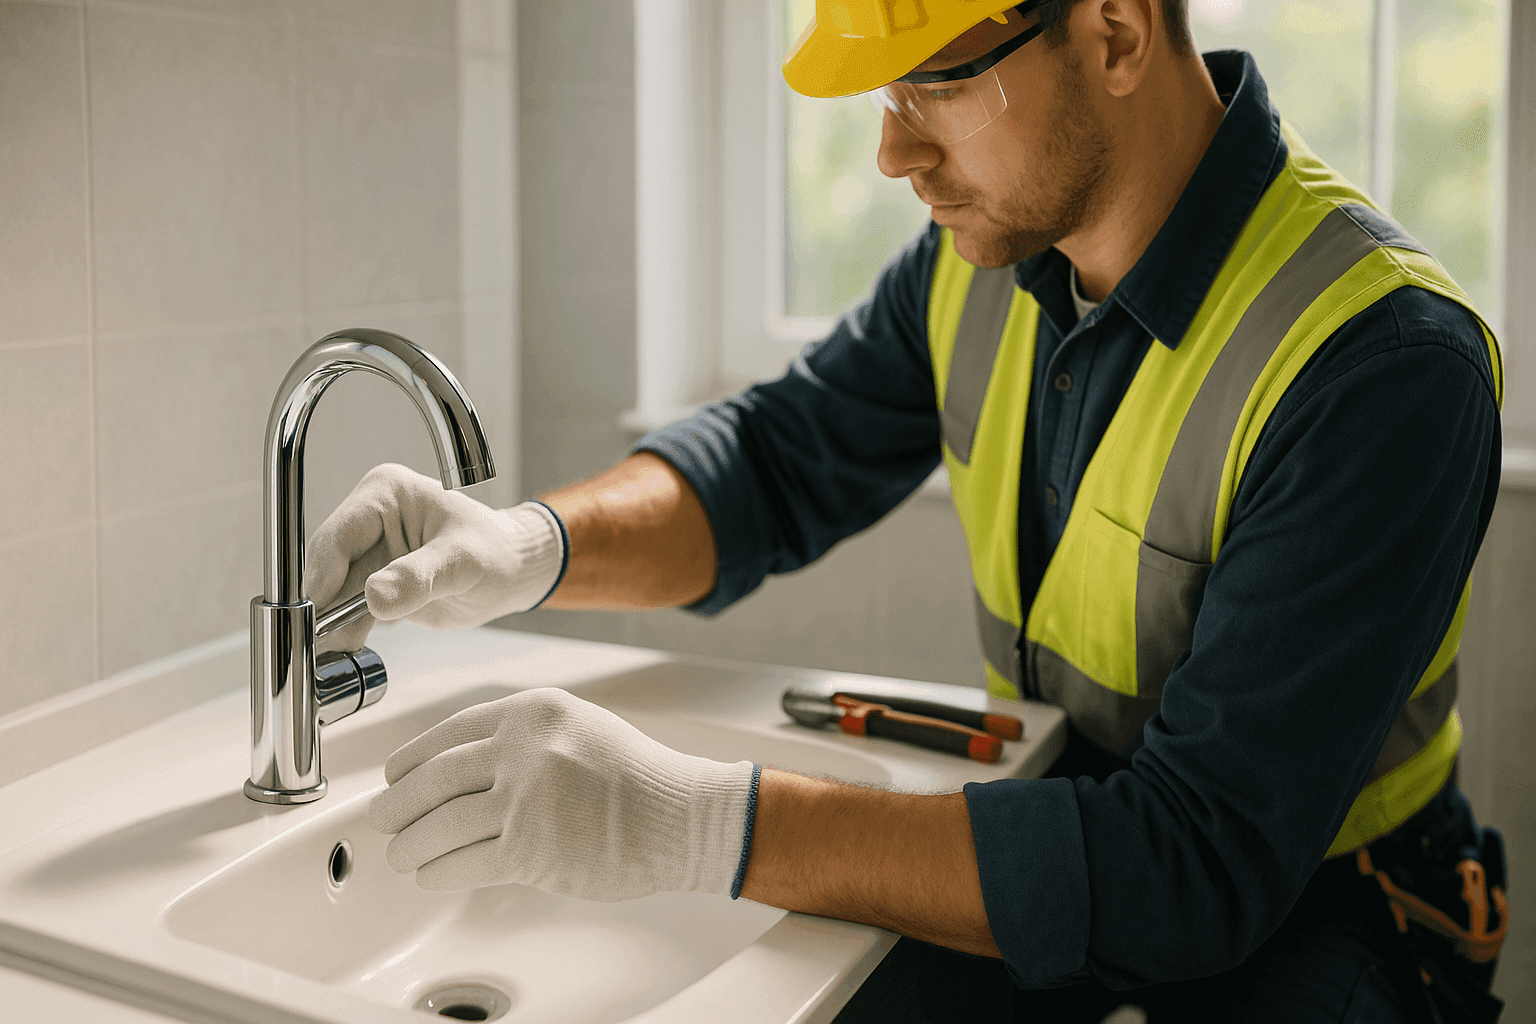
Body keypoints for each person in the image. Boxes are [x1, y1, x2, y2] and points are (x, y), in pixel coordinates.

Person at [307, 1, 1510, 1020]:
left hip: (1328, 908)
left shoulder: (1379, 362)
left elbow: (1192, 867)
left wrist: (694, 820)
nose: (891, 153)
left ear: (1118, 31)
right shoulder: (976, 263)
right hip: (1075, 814)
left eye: (936, 85)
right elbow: (773, 462)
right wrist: (530, 545)